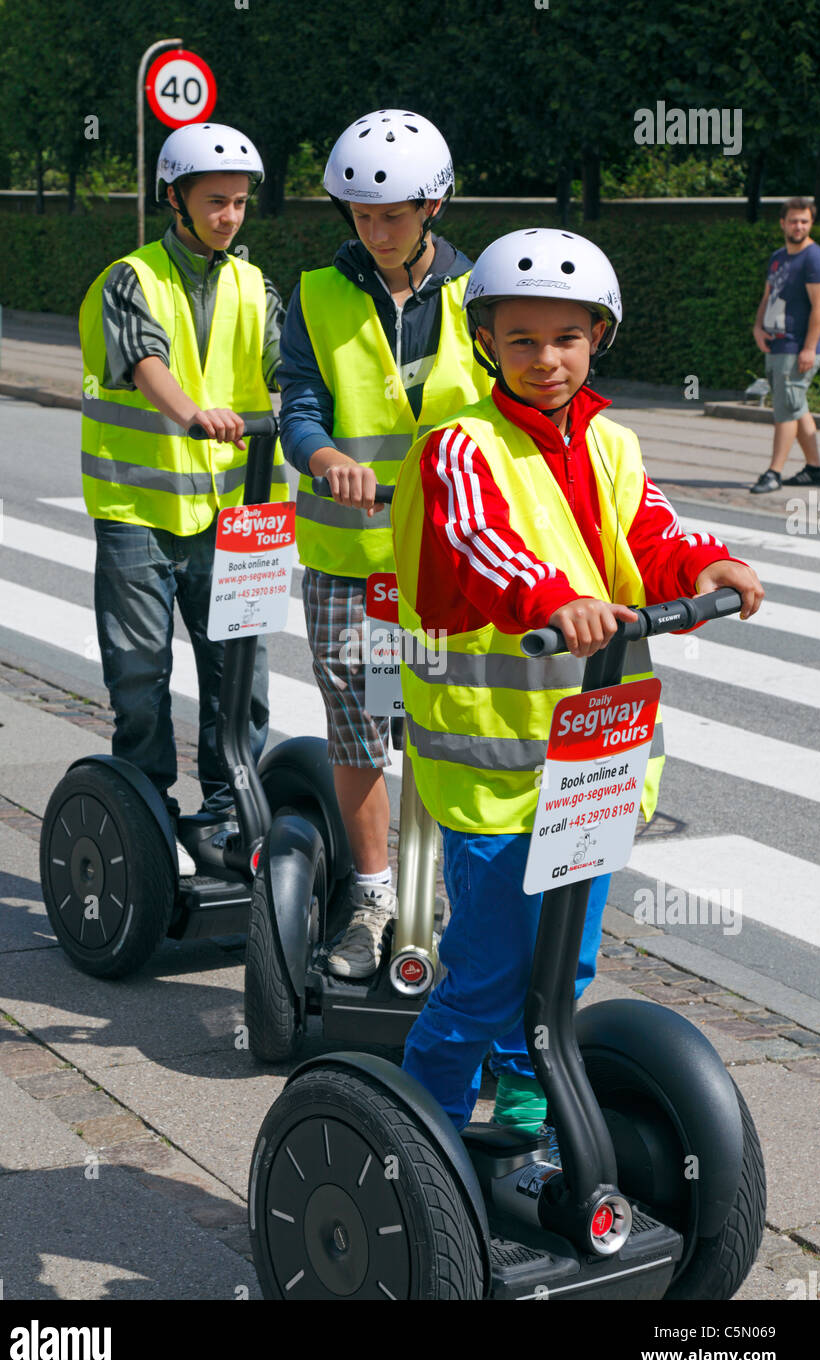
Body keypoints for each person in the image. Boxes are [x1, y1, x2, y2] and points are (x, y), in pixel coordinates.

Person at [391, 229, 764, 1134]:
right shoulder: (459, 447)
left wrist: (705, 568)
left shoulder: (611, 442)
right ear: (486, 343)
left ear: (599, 336)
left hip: (593, 761)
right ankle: (418, 1134)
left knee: (568, 966)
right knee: (486, 975)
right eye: (521, 340)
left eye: (566, 337)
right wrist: (553, 598)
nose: (546, 359)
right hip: (495, 772)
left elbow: (654, 532)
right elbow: (484, 546)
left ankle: (526, 1111)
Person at [278, 109, 490, 977]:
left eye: (394, 214)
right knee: (360, 732)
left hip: (452, 562)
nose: (376, 230)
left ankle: (445, 900)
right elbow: (297, 405)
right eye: (362, 216)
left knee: (452, 730)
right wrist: (324, 457)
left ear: (434, 205)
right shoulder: (316, 295)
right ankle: (373, 900)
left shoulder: (485, 292)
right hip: (351, 560)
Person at [79, 123, 288, 876]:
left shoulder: (255, 285)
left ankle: (231, 819)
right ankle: (146, 817)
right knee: (140, 677)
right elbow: (144, 362)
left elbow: (285, 367)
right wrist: (193, 414)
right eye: (214, 201)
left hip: (236, 514)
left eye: (238, 203)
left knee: (242, 674)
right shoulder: (129, 279)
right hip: (140, 511)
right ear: (174, 198)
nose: (229, 216)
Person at [750, 197, 820, 493]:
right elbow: (768, 296)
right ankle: (815, 468)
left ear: (811, 224)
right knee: (797, 406)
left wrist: (809, 347)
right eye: (794, 220)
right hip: (777, 346)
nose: (799, 226)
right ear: (783, 223)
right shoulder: (778, 257)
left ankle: (774, 472)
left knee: (784, 409)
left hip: (797, 349)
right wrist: (758, 327)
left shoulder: (815, 258)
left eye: (805, 221)